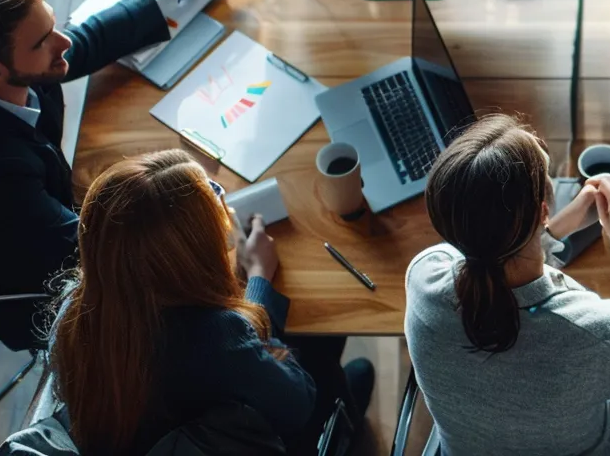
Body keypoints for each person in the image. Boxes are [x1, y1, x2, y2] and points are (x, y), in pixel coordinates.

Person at [0, 0, 231, 350]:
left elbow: (80, 43)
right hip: (39, 290)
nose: (63, 40)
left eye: (51, 25)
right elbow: (90, 246)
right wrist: (197, 218)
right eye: (43, 41)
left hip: (38, 222)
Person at [47, 150, 371, 454]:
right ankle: (345, 423)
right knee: (323, 348)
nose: (225, 209)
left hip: (143, 438)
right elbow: (299, 402)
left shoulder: (73, 309)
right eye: (214, 206)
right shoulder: (215, 333)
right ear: (188, 254)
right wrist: (258, 277)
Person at [405, 114, 610, 454]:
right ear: (542, 210)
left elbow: (492, 258)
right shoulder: (594, 330)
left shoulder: (424, 274)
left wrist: (549, 233)